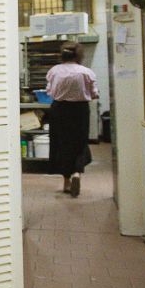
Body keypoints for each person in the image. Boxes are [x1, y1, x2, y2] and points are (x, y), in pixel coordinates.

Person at [45, 43, 99, 197]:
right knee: (79, 143)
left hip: (59, 110)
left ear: (62, 55)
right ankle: (77, 172)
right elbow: (94, 94)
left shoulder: (54, 71)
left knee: (62, 143)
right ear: (79, 55)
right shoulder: (86, 72)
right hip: (80, 110)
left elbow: (50, 92)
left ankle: (66, 182)